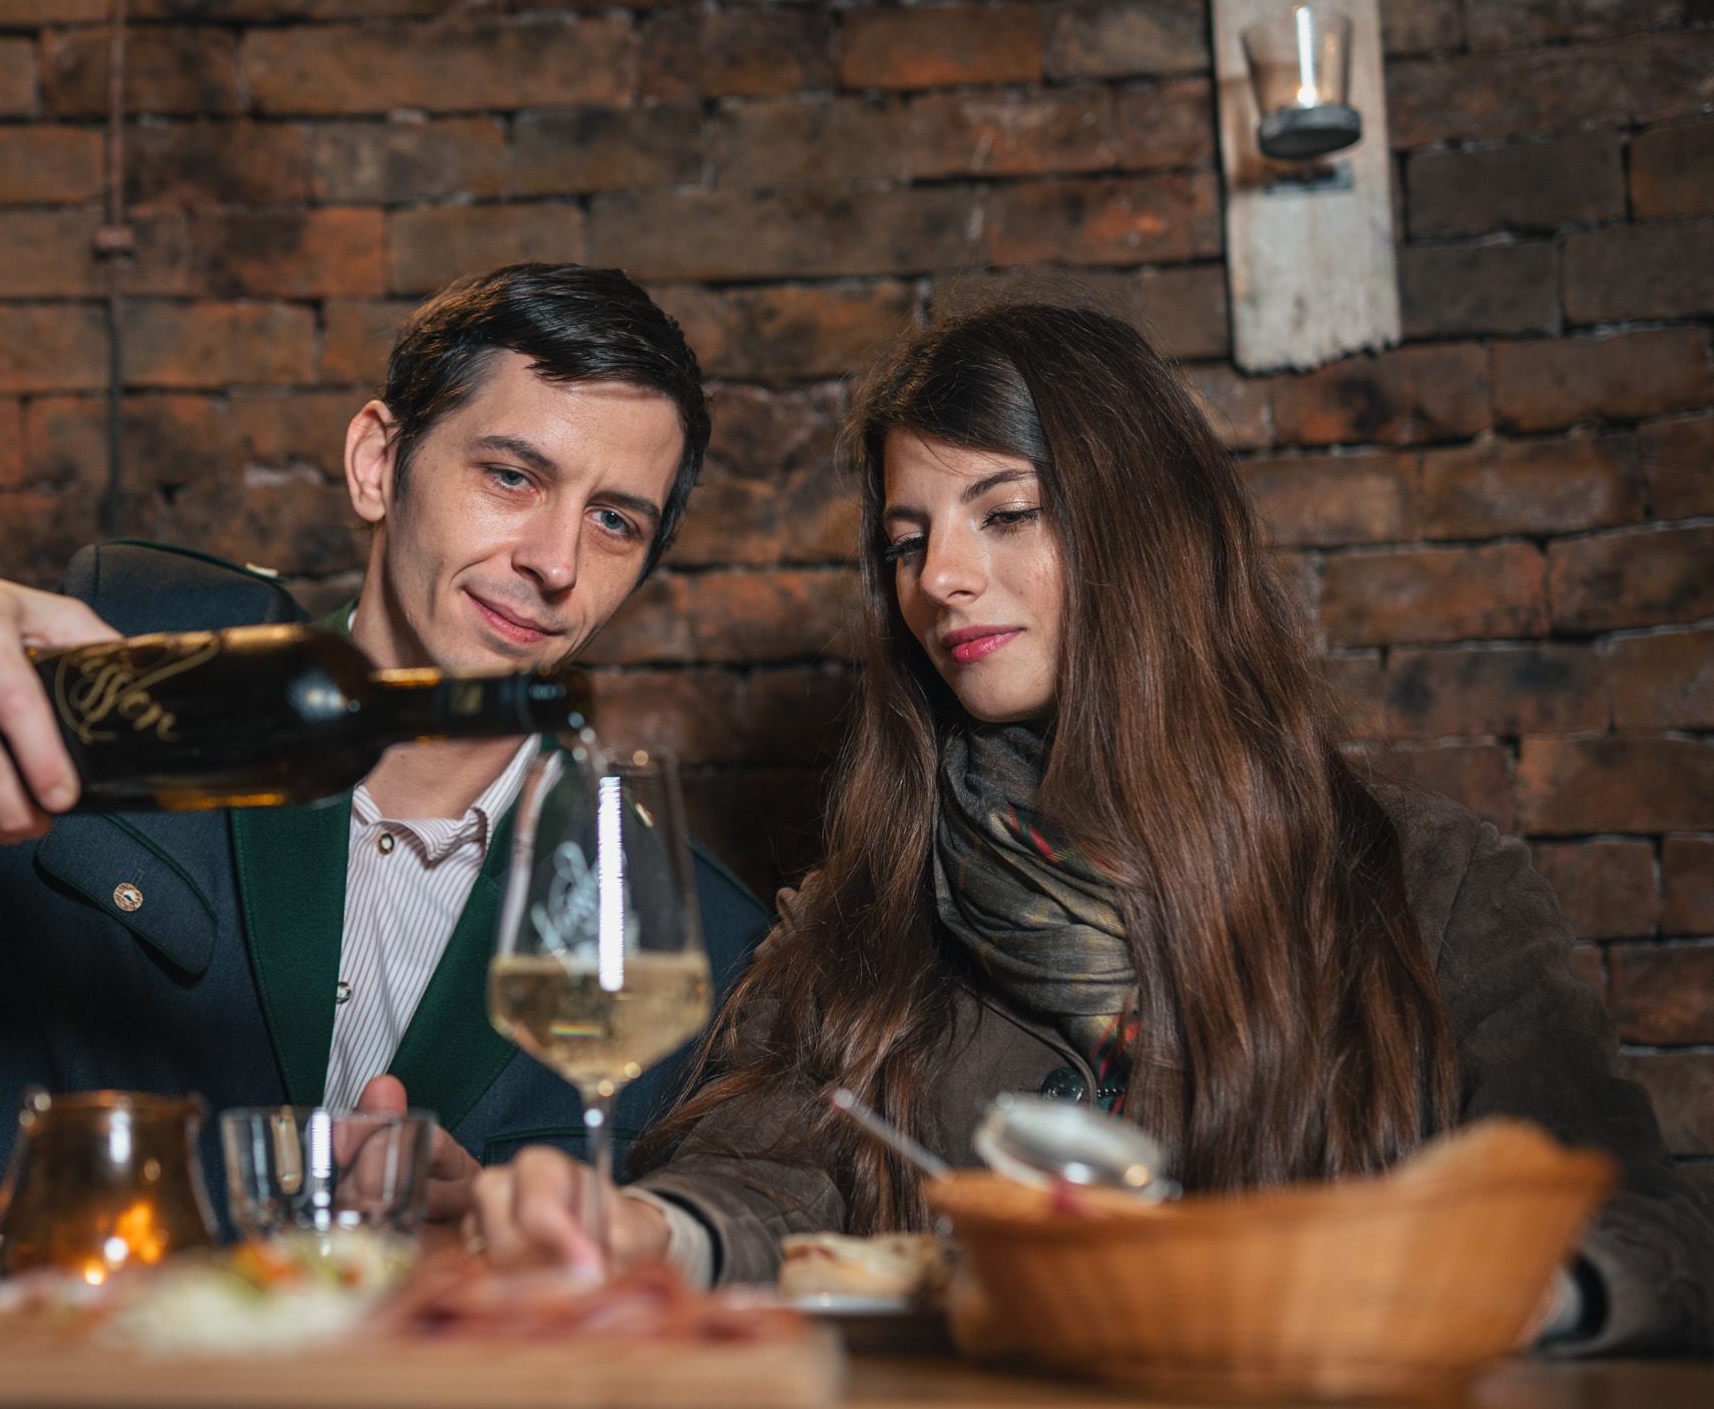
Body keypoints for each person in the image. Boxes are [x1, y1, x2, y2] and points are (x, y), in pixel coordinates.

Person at [469, 301, 1714, 1356]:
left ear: (1141, 527)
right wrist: (644, 1229)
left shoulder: (1435, 884)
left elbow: (1651, 1231)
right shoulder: (864, 909)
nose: (939, 578)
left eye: (1005, 513)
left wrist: (1458, 1295)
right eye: (908, 541)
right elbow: (754, 1182)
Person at [0, 262, 770, 1233]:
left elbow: (676, 1268)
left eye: (613, 521)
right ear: (379, 461)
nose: (555, 561)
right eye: (511, 475)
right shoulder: (129, 671)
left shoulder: (689, 933)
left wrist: (495, 1241)